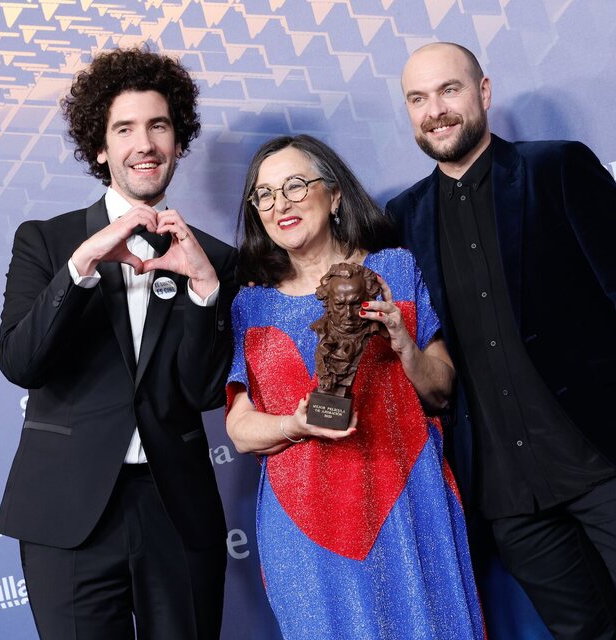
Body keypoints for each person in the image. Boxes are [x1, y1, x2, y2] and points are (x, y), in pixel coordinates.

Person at [387, 42, 616, 639]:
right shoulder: (402, 219)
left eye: (449, 90)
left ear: (483, 92)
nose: (435, 110)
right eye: (418, 98)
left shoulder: (557, 169)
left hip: (607, 456)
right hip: (507, 492)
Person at [0, 47, 237, 640]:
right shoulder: (48, 243)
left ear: (178, 141)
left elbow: (206, 392)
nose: (144, 143)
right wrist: (81, 267)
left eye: (159, 125)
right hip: (67, 510)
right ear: (100, 148)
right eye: (124, 128)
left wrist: (204, 291)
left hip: (175, 509)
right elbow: (21, 362)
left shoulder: (216, 259)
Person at [225, 134, 485, 639]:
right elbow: (239, 428)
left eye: (296, 186)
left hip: (407, 500)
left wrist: (404, 343)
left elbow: (441, 391)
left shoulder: (394, 270)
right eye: (266, 194)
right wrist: (295, 424)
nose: (282, 204)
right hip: (304, 527)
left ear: (335, 195)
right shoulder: (249, 306)